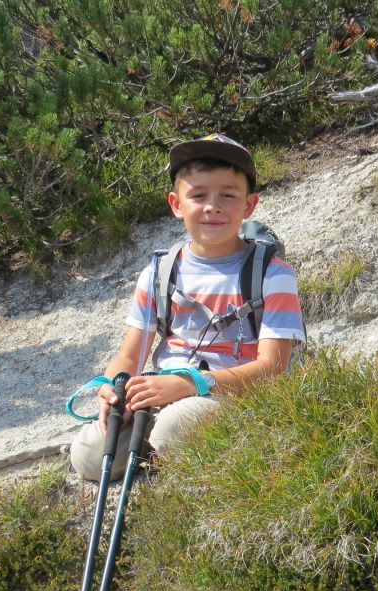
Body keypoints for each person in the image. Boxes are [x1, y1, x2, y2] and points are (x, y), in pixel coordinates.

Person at [69, 133, 306, 480]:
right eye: (198, 195)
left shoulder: (274, 275)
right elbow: (129, 357)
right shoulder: (158, 274)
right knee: (90, 456)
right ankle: (154, 450)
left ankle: (166, 459)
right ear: (176, 204)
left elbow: (271, 369)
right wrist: (113, 386)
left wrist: (191, 383)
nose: (213, 206)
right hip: (163, 390)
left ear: (249, 205)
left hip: (234, 394)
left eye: (228, 195)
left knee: (172, 430)